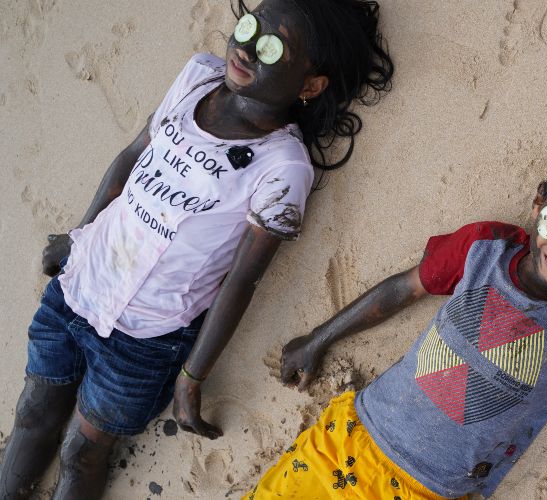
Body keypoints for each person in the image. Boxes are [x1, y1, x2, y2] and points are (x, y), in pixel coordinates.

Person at [0, 0, 393, 498]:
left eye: (273, 48)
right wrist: (80, 235)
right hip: (81, 282)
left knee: (82, 452)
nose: (247, 47)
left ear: (310, 85)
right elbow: (131, 157)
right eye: (250, 28)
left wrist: (190, 378)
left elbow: (241, 281)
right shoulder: (197, 76)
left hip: (145, 340)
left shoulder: (283, 166)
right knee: (33, 410)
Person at [252, 130, 547, 499]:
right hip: (346, 439)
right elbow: (404, 287)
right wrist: (318, 339)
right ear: (538, 203)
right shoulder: (483, 247)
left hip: (429, 490)